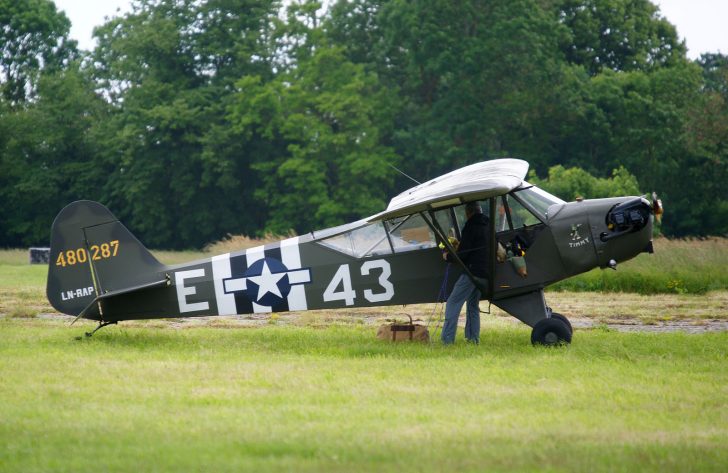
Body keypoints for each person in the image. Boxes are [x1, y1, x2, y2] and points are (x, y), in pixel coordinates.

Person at [441, 201, 489, 344]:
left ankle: (447, 340)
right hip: (485, 273)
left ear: (469, 213)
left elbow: (463, 254)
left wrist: (447, 256)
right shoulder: (488, 224)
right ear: (479, 210)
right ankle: (473, 339)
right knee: (472, 305)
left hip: (472, 272)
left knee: (452, 303)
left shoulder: (470, 226)